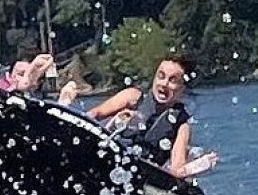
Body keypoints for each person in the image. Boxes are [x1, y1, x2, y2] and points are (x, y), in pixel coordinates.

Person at [86, 57, 218, 178]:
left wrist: (195, 167)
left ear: (182, 88)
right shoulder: (133, 98)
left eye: (172, 80)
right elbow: (93, 115)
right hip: (106, 160)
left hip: (137, 176)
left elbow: (176, 170)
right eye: (161, 77)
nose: (164, 84)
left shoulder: (182, 126)